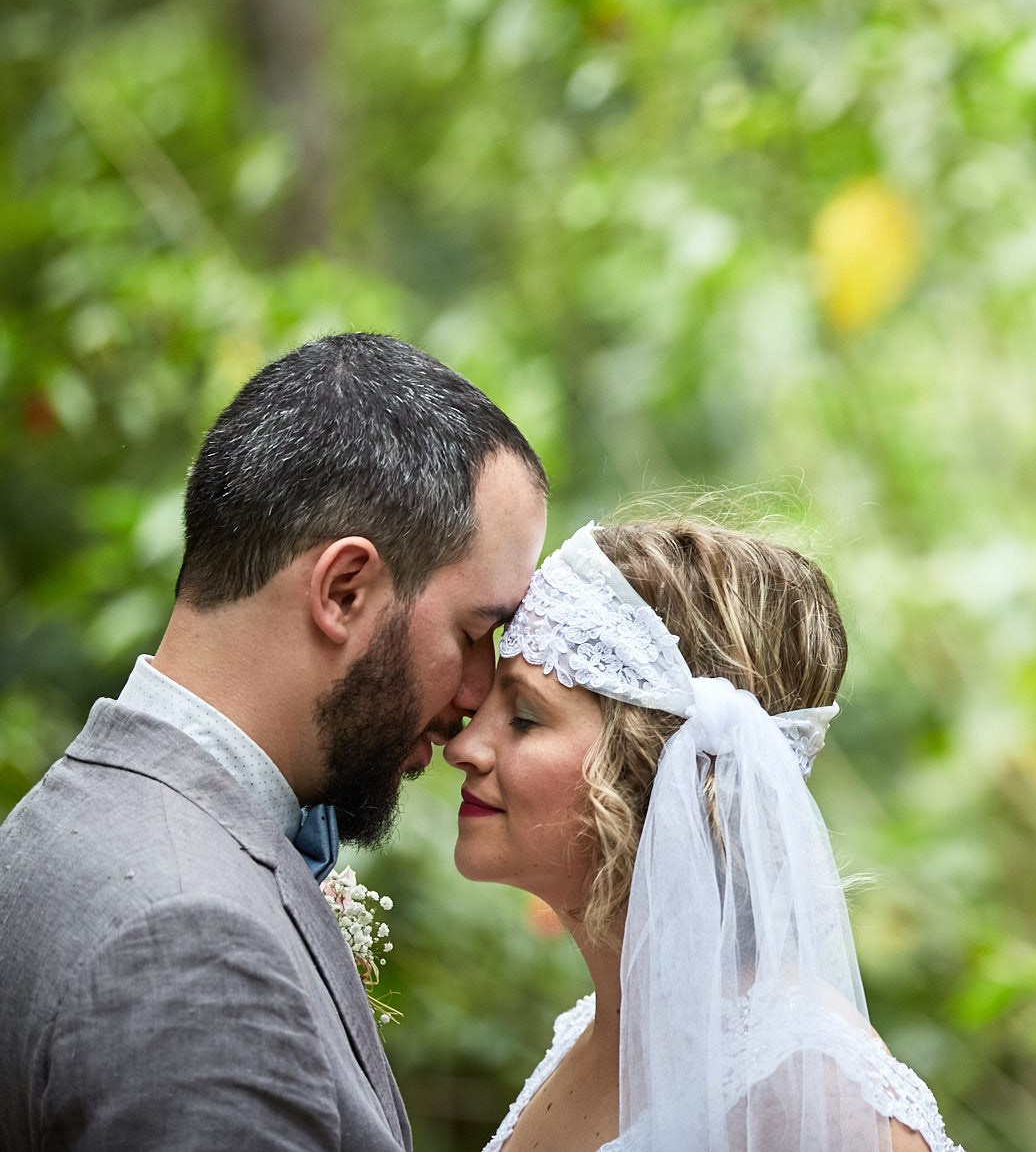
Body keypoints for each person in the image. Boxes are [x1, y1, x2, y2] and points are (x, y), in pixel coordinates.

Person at [0, 332, 549, 1152]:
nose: (477, 695)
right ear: (344, 590)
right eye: (474, 633)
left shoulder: (62, 820)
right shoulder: (192, 949)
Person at [448, 518, 962, 1152]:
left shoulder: (804, 1085)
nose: (464, 747)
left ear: (656, 769)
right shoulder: (593, 1032)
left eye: (524, 716)